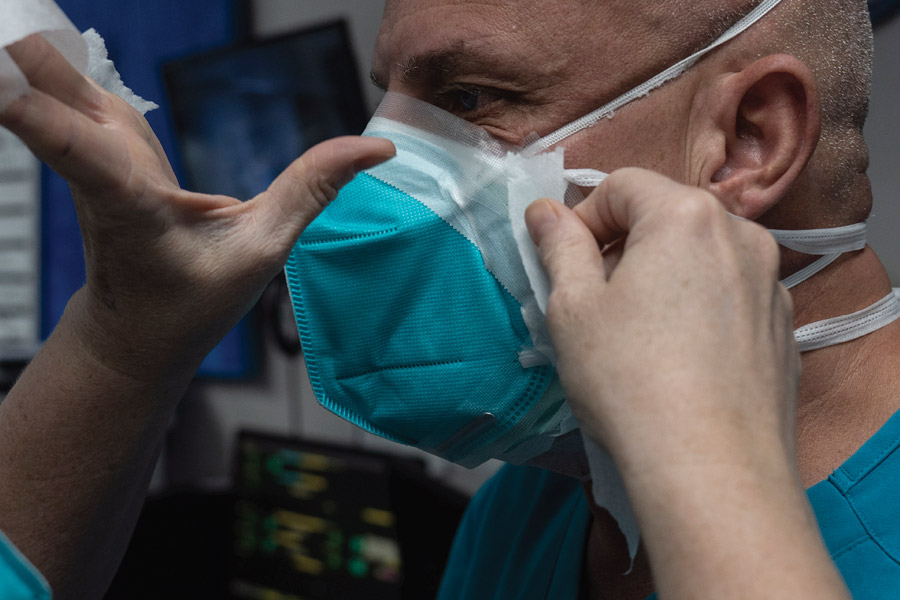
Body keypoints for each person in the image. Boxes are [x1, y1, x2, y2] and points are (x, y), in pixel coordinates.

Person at [0, 0, 888, 599]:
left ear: (747, 141)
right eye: (391, 102)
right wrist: (125, 339)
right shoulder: (530, 512)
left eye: (470, 99)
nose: (371, 178)